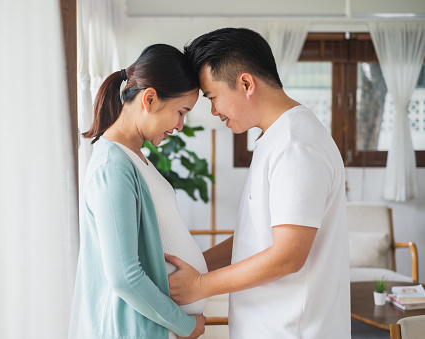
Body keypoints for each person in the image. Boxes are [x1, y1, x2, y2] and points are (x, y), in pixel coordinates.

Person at [165, 28, 351, 338]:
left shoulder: (295, 145)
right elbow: (258, 237)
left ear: (246, 83)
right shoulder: (274, 137)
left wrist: (199, 285)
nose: (214, 111)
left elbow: (287, 256)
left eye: (212, 97)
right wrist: (198, 264)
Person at [67, 44, 208, 339]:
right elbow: (124, 277)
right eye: (180, 112)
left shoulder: (135, 157)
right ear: (150, 98)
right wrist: (184, 325)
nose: (181, 125)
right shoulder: (113, 167)